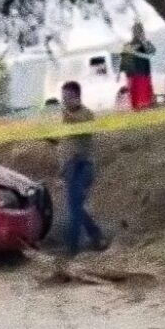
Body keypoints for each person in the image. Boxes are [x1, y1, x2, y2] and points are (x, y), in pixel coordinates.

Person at [58, 82, 108, 257]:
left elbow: (81, 129)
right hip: (69, 168)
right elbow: (65, 142)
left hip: (82, 167)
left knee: (75, 208)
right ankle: (96, 236)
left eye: (68, 96)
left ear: (77, 95)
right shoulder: (64, 117)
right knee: (76, 207)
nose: (64, 100)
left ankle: (72, 248)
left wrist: (66, 115)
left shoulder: (86, 114)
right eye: (63, 96)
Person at [119, 22, 156, 111]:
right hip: (132, 76)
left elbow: (151, 54)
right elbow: (125, 62)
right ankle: (137, 112)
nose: (138, 33)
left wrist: (136, 52)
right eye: (136, 31)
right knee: (135, 100)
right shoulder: (127, 45)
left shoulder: (147, 44)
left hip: (144, 74)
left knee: (145, 99)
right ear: (133, 32)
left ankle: (145, 111)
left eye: (140, 31)